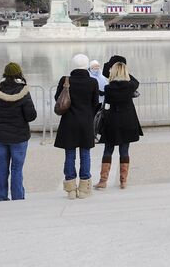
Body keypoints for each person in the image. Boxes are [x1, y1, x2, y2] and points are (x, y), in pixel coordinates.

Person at [0, 62, 37, 201]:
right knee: (16, 168)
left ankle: (2, 197)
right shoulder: (23, 92)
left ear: (5, 73)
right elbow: (31, 116)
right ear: (19, 73)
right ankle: (17, 197)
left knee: (2, 168)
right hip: (19, 137)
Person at [54, 54, 99, 199]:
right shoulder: (92, 82)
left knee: (70, 154)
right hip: (85, 121)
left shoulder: (65, 80)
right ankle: (84, 188)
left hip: (69, 121)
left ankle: (71, 188)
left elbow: (58, 99)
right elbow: (95, 103)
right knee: (85, 154)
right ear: (86, 65)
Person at [94, 58, 142, 190]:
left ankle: (103, 181)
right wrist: (124, 70)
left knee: (108, 150)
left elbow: (107, 105)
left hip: (112, 122)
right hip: (128, 122)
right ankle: (123, 181)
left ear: (113, 72)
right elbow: (135, 81)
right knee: (124, 150)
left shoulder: (109, 88)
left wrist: (113, 66)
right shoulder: (130, 86)